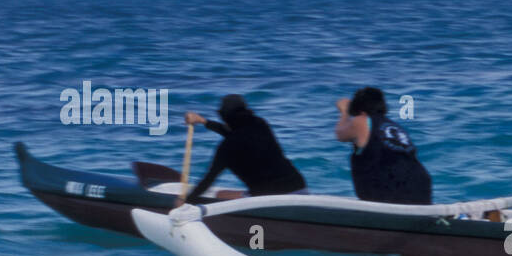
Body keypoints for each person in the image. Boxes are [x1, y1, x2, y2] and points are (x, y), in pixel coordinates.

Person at [178, 95, 307, 204]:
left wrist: (186, 202)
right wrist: (203, 121)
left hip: (268, 200)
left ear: (224, 117)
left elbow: (208, 181)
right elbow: (236, 133)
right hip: (300, 189)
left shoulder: (227, 147)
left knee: (220, 195)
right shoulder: (261, 124)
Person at [334, 87, 432, 204]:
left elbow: (340, 134)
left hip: (390, 187)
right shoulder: (395, 126)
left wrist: (345, 111)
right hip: (422, 187)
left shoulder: (361, 120)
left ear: (359, 109)